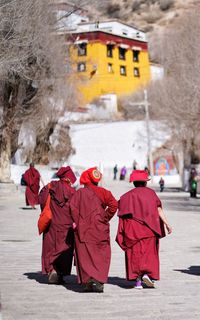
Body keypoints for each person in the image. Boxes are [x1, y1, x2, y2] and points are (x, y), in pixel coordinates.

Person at [116, 170, 172, 289]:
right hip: (149, 230)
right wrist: (167, 224)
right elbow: (158, 210)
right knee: (148, 254)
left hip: (133, 231)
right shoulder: (151, 194)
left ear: (134, 183)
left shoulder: (126, 196)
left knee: (135, 254)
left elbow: (122, 214)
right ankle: (146, 274)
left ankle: (137, 281)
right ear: (145, 182)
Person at [70, 167, 118, 292]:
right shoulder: (103, 192)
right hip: (100, 227)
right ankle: (99, 280)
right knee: (101, 253)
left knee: (84, 254)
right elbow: (114, 204)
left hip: (84, 229)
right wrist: (105, 217)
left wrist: (78, 221)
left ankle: (87, 281)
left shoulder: (79, 193)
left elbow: (72, 208)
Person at [38, 166, 77, 284]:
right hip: (66, 227)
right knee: (64, 251)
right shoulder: (72, 192)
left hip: (51, 225)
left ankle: (51, 270)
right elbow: (76, 209)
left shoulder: (49, 187)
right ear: (69, 178)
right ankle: (60, 273)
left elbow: (42, 200)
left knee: (50, 248)